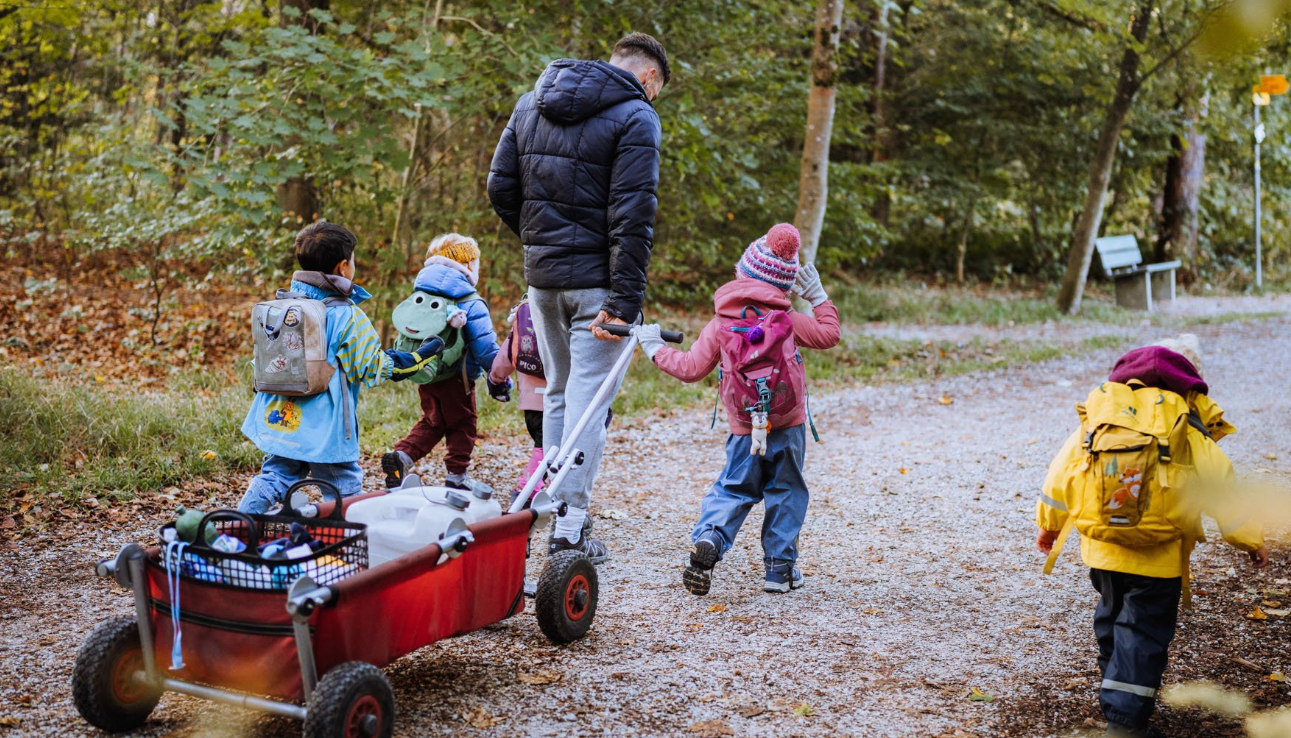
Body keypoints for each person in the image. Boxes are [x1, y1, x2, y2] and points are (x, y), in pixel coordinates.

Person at [487, 31, 670, 563]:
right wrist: (626, 302)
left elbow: (501, 189)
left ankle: (552, 508)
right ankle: (569, 528)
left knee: (561, 393)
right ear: (650, 77)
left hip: (542, 282)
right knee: (590, 404)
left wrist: (540, 242)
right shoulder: (637, 117)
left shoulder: (531, 103)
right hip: (599, 288)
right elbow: (633, 216)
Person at [1035, 336, 1268, 738]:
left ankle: (1116, 697)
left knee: (1112, 616)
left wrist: (1050, 524)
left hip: (1103, 548)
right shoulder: (1184, 420)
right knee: (1142, 633)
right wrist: (1249, 537)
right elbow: (1221, 488)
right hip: (1158, 556)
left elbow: (1061, 472)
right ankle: (1124, 724)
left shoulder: (1103, 414)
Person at [634, 223, 840, 594]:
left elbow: (691, 369)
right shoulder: (787, 320)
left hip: (745, 426)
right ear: (784, 284)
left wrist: (653, 347)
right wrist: (819, 297)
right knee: (786, 490)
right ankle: (779, 569)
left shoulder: (721, 322)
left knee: (732, 488)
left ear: (743, 271)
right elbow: (829, 335)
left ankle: (711, 539)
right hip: (788, 423)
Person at [239, 222, 443, 513]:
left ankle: (232, 530)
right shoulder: (347, 315)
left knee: (275, 476)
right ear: (344, 266)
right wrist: (419, 357)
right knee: (342, 488)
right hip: (326, 429)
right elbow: (373, 366)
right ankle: (342, 545)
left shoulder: (284, 305)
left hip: (281, 420)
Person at [382, 233, 506, 493]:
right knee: (463, 422)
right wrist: (499, 377)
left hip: (426, 370)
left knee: (433, 419)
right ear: (470, 266)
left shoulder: (421, 293)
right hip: (457, 377)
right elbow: (485, 349)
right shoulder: (470, 301)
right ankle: (457, 476)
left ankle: (403, 456)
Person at [488, 293, 548, 498]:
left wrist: (496, 380)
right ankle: (528, 491)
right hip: (559, 400)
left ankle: (537, 488)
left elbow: (506, 356)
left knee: (545, 447)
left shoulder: (526, 310)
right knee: (547, 448)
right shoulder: (570, 308)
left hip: (531, 403)